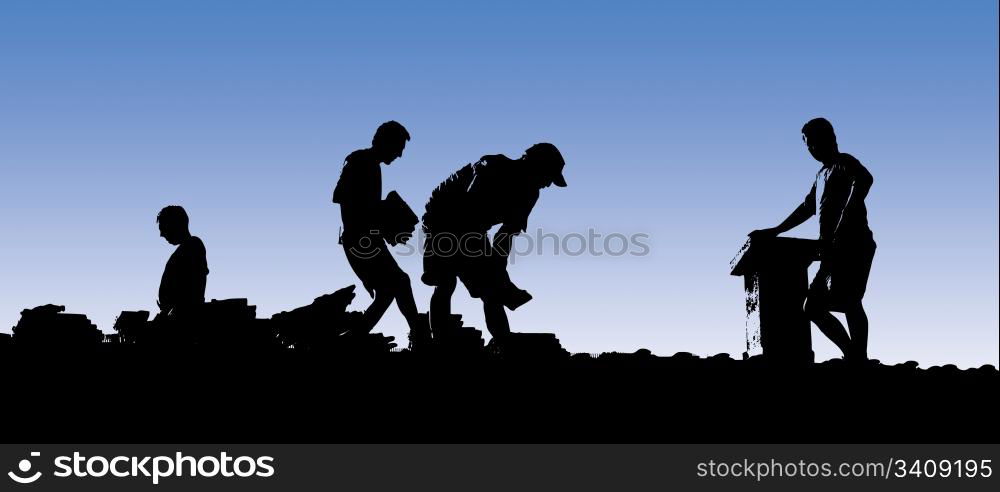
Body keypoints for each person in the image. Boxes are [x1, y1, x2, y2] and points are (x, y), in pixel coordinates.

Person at [750, 118, 876, 361]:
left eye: (814, 143)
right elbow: (807, 207)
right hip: (830, 249)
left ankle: (858, 358)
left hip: (854, 244)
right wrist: (775, 230)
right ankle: (852, 354)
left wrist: (847, 214)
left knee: (850, 301)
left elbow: (865, 179)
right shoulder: (820, 175)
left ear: (829, 138)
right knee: (813, 307)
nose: (811, 149)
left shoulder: (844, 162)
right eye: (808, 145)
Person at [421, 143, 567, 345]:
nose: (548, 184)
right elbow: (466, 211)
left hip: (474, 228)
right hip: (443, 217)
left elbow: (506, 235)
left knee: (491, 289)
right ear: (535, 166)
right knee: (446, 281)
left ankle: (502, 339)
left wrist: (497, 272)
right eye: (548, 176)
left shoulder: (531, 194)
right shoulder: (493, 166)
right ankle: (439, 341)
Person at [333, 121, 428, 347]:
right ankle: (419, 336)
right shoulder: (359, 162)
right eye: (399, 148)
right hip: (360, 240)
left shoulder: (370, 165)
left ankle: (355, 339)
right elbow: (347, 202)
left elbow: (365, 207)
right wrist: (386, 216)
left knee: (391, 289)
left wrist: (385, 222)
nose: (400, 155)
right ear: (386, 142)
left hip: (367, 238)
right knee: (398, 283)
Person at [156, 205, 208, 319]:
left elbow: (193, 289)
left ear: (174, 225)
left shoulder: (193, 246)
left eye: (163, 228)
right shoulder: (187, 248)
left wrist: (172, 310)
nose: (162, 234)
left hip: (184, 320)